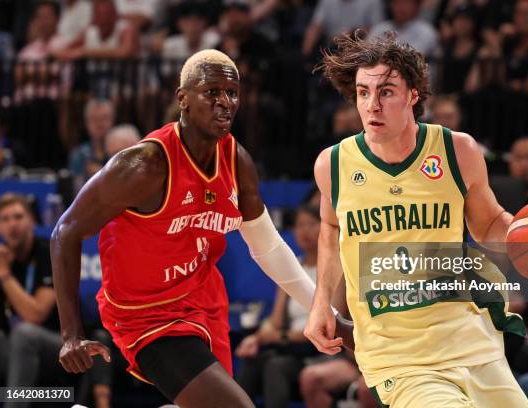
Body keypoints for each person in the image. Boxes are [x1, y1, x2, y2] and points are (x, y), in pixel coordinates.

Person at [50, 49, 348, 408]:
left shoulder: (237, 162)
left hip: (202, 301)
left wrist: (327, 315)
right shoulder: (145, 165)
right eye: (212, 92)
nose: (225, 102)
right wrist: (70, 335)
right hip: (144, 314)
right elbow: (64, 231)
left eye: (232, 93)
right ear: (183, 99)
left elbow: (269, 249)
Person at [304, 30, 528, 407]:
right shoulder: (334, 164)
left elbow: (489, 223)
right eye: (363, 93)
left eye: (386, 92)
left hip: (470, 339)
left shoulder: (456, 150)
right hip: (397, 355)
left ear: (413, 94)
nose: (372, 105)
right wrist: (321, 303)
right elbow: (331, 227)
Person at [236, 204, 321, 407]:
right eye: (299, 225)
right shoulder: (293, 266)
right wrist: (256, 338)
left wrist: (279, 336)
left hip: (317, 348)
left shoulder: (335, 269)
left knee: (276, 366)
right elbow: (275, 320)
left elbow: (332, 321)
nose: (304, 231)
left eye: (311, 224)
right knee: (252, 360)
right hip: (291, 345)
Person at [0, 193, 62, 406]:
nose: (12, 225)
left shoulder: (50, 252)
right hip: (16, 354)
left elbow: (35, 315)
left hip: (58, 349)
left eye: (18, 217)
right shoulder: (3, 258)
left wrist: (4, 276)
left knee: (25, 333)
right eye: (4, 219)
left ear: (32, 221)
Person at [68, 99, 115, 192]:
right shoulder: (79, 155)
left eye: (104, 118)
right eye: (94, 119)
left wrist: (100, 173)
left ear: (113, 120)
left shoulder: (121, 148)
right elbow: (76, 193)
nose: (100, 124)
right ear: (86, 123)